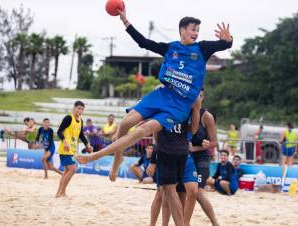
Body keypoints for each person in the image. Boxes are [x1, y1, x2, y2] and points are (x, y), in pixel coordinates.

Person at [76, 6, 233, 184]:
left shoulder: (202, 48)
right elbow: (143, 42)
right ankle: (116, 161)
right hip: (163, 94)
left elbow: (225, 44)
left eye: (198, 30)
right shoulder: (170, 48)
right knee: (126, 122)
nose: (196, 33)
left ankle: (97, 155)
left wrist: (229, 40)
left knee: (143, 130)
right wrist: (125, 22)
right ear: (182, 30)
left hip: (179, 106)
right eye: (192, 29)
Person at [147, 95, 202, 226]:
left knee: (172, 193)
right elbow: (192, 129)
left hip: (174, 152)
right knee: (163, 194)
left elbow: (156, 136)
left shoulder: (186, 105)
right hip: (177, 151)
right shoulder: (185, 104)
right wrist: (154, 161)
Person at [190, 90, 219, 226]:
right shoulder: (185, 112)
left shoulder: (207, 116)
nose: (197, 99)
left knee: (198, 193)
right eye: (195, 96)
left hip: (201, 159)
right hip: (186, 158)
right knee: (183, 192)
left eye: (200, 96)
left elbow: (214, 142)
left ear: (203, 98)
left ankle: (215, 223)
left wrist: (196, 148)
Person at [56, 101, 93, 198]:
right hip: (65, 148)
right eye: (79, 108)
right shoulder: (68, 118)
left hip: (72, 149)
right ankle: (62, 192)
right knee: (72, 169)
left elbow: (81, 135)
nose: (80, 111)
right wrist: (64, 142)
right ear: (74, 108)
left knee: (67, 171)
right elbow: (59, 131)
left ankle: (59, 193)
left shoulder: (80, 120)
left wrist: (87, 144)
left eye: (82, 109)